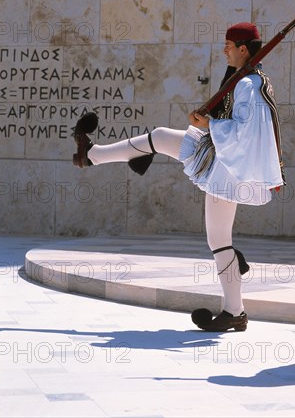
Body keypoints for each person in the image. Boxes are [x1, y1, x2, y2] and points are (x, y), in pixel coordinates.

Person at [72, 22, 284, 332]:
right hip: (225, 158)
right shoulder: (248, 80)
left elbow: (244, 132)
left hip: (228, 165)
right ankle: (91, 155)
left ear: (243, 49)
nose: (224, 49)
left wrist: (209, 125)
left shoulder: (248, 84)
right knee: (160, 139)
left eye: (228, 44)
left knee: (219, 240)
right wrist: (209, 125)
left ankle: (235, 311)